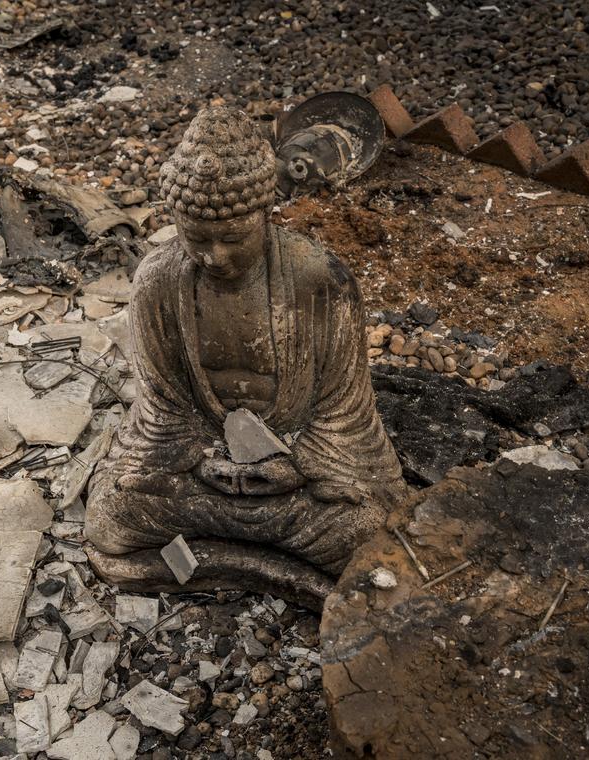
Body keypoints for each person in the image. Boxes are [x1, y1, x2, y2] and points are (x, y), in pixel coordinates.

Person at [85, 106, 407, 578]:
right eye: (196, 237)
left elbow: (345, 413)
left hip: (295, 474)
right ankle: (268, 567)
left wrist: (295, 466)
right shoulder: (157, 282)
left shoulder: (319, 279)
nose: (214, 257)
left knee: (364, 531)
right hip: (202, 471)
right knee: (111, 517)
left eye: (234, 238)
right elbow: (161, 411)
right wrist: (201, 459)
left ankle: (205, 562)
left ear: (265, 214)